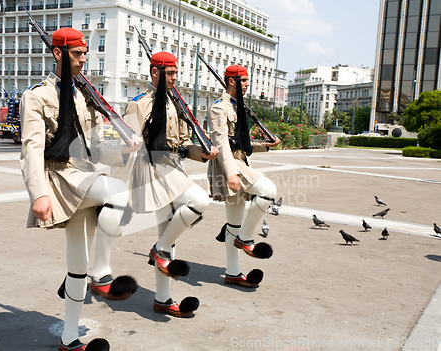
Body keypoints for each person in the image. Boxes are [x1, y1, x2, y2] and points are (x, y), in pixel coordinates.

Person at [19, 27, 142, 351]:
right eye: (77, 54)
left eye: (85, 53)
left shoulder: (84, 96)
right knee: (117, 193)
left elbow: (96, 145)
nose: (84, 60)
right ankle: (101, 276)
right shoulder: (36, 97)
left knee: (76, 266)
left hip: (84, 176)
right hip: (60, 180)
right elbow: (31, 149)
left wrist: (126, 147)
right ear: (58, 53)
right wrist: (39, 193)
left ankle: (68, 340)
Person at [123, 51, 219, 318]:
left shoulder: (176, 102)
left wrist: (204, 153)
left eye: (177, 73)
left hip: (173, 167)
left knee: (168, 235)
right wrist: (129, 143)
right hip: (152, 168)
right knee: (199, 201)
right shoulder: (140, 103)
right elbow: (121, 141)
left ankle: (163, 299)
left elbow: (184, 144)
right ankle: (159, 250)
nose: (176, 78)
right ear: (155, 73)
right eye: (170, 73)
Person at [207, 64, 281, 289]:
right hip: (228, 166)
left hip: (239, 162)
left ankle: (232, 272)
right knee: (268, 190)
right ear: (232, 81)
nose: (248, 84)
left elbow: (241, 144)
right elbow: (221, 144)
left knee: (233, 223)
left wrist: (266, 146)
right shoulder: (219, 108)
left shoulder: (238, 107)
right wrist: (230, 173)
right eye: (245, 80)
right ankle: (246, 238)